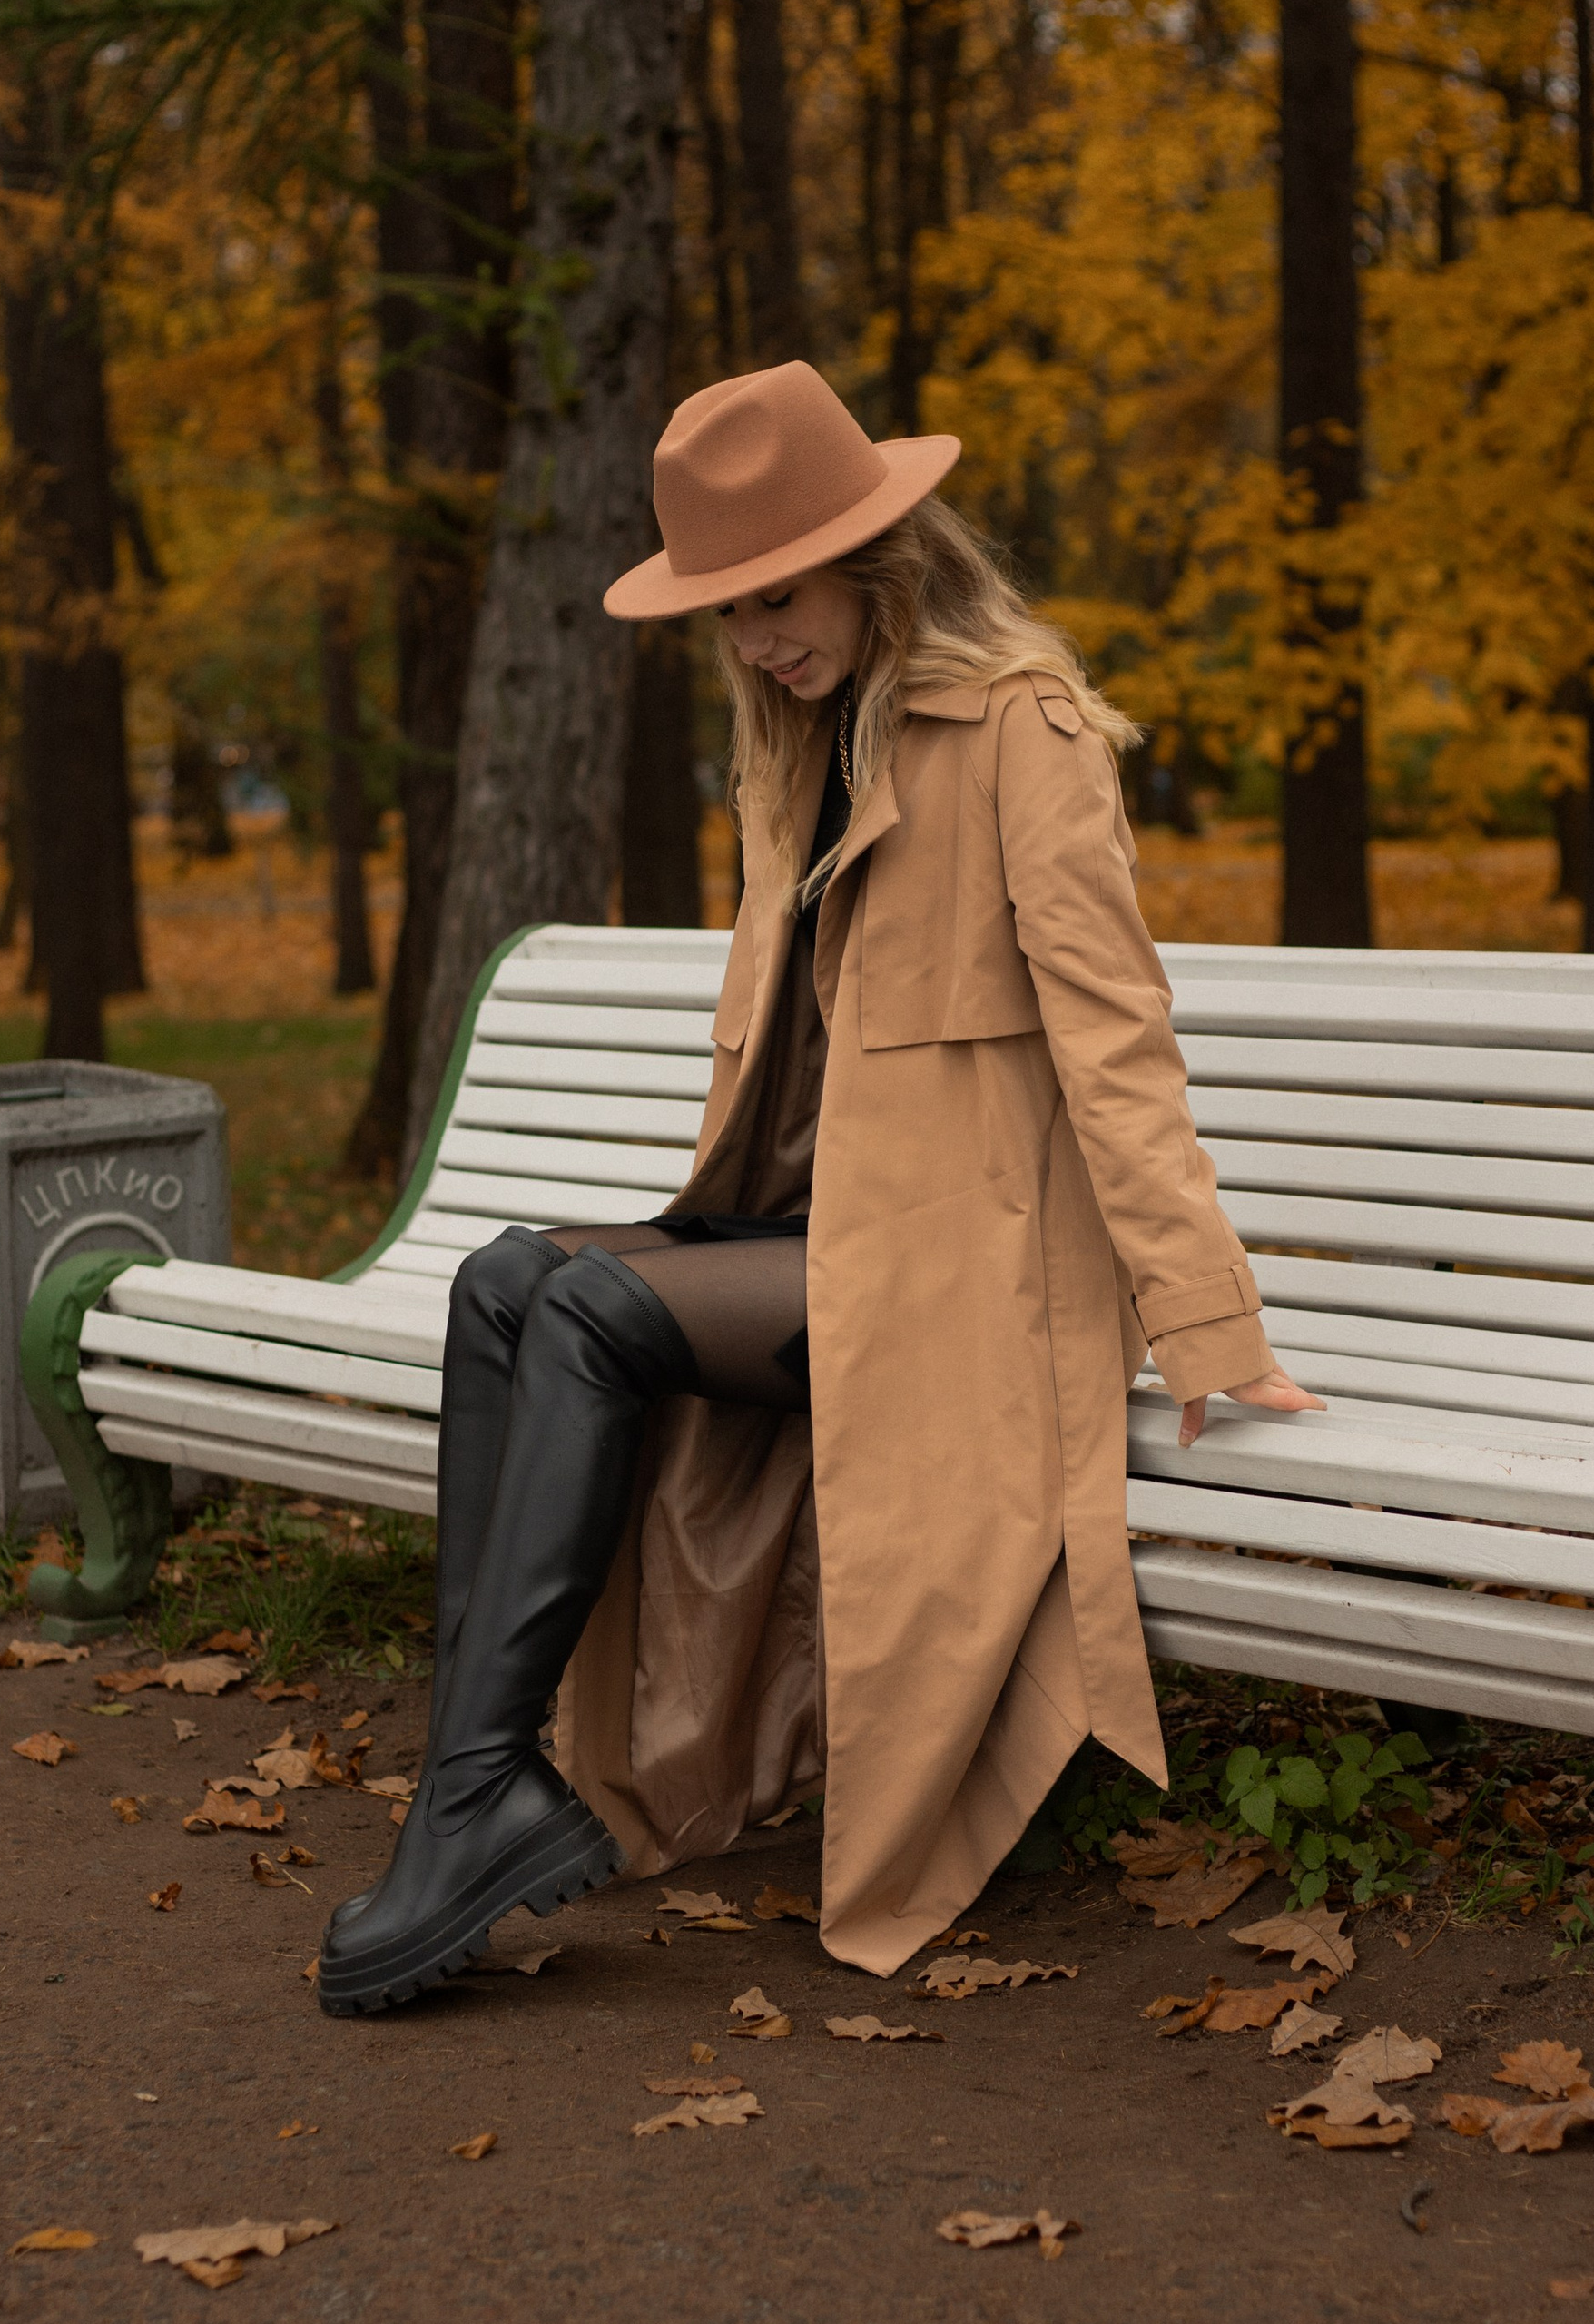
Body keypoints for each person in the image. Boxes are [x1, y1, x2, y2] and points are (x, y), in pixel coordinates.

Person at [317, 360, 1321, 2016]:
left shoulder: (1021, 728)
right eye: (726, 612)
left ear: (879, 555)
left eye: (777, 596)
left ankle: (475, 1808)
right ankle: (469, 1793)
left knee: (586, 1316)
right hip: (811, 1221)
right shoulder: (791, 739)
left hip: (965, 1264)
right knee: (502, 1277)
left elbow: (1115, 1040)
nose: (756, 638)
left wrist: (1206, 1320)